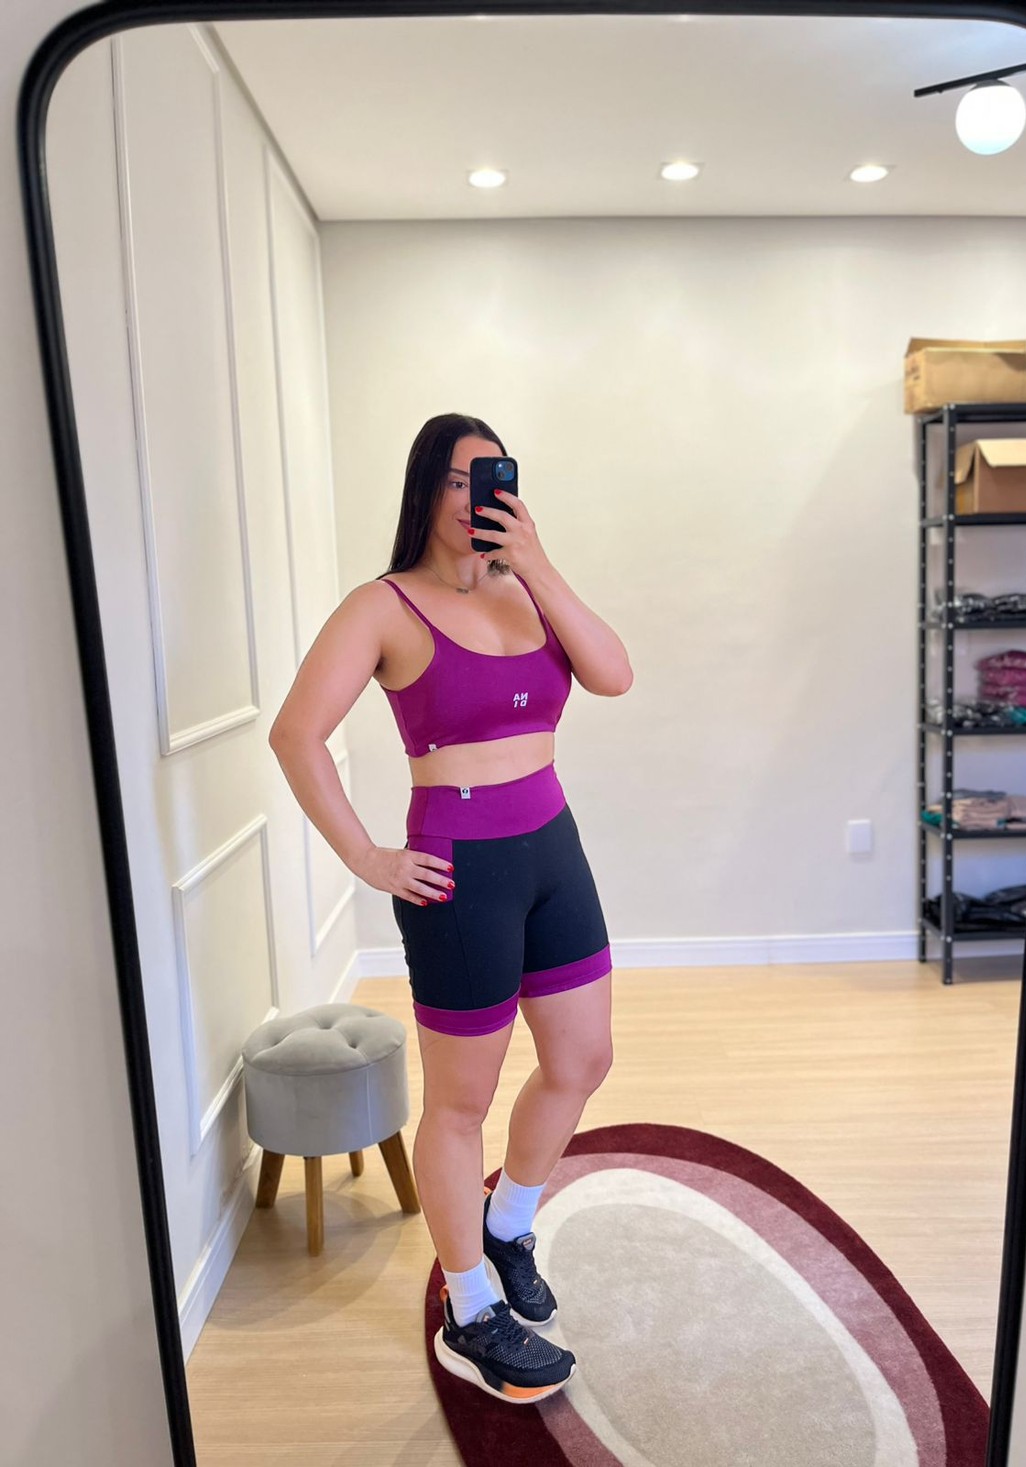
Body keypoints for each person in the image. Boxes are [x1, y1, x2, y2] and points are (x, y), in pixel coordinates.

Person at [268, 412, 632, 1405]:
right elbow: (297, 734)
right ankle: (469, 1309)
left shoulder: (526, 588)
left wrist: (536, 562)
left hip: (552, 847)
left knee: (582, 1059)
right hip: (460, 869)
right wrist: (366, 857)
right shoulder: (382, 606)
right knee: (461, 1103)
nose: (481, 496)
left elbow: (612, 674)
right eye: (463, 479)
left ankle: (508, 1227)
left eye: (495, 477)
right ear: (427, 488)